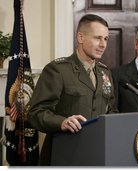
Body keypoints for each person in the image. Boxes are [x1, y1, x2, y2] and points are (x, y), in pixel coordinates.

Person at [29, 14, 117, 165]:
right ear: (81, 38)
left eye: (106, 39)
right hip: (65, 154)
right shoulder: (58, 70)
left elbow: (112, 110)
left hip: (98, 155)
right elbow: (36, 113)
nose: (103, 44)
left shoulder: (105, 72)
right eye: (97, 38)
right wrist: (62, 122)